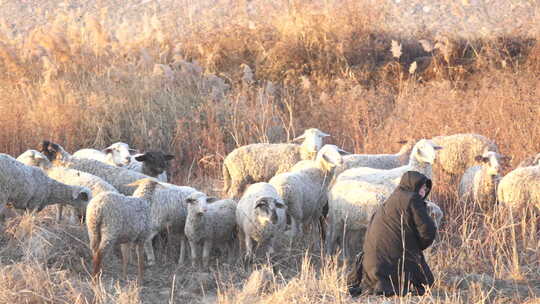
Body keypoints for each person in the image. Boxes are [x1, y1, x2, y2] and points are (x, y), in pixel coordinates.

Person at [351, 170, 437, 297]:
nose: (424, 191)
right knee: (426, 283)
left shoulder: (392, 199)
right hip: (391, 264)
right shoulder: (413, 199)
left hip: (371, 269)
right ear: (413, 186)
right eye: (421, 187)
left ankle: (383, 284)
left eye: (425, 188)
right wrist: (417, 247)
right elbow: (427, 231)